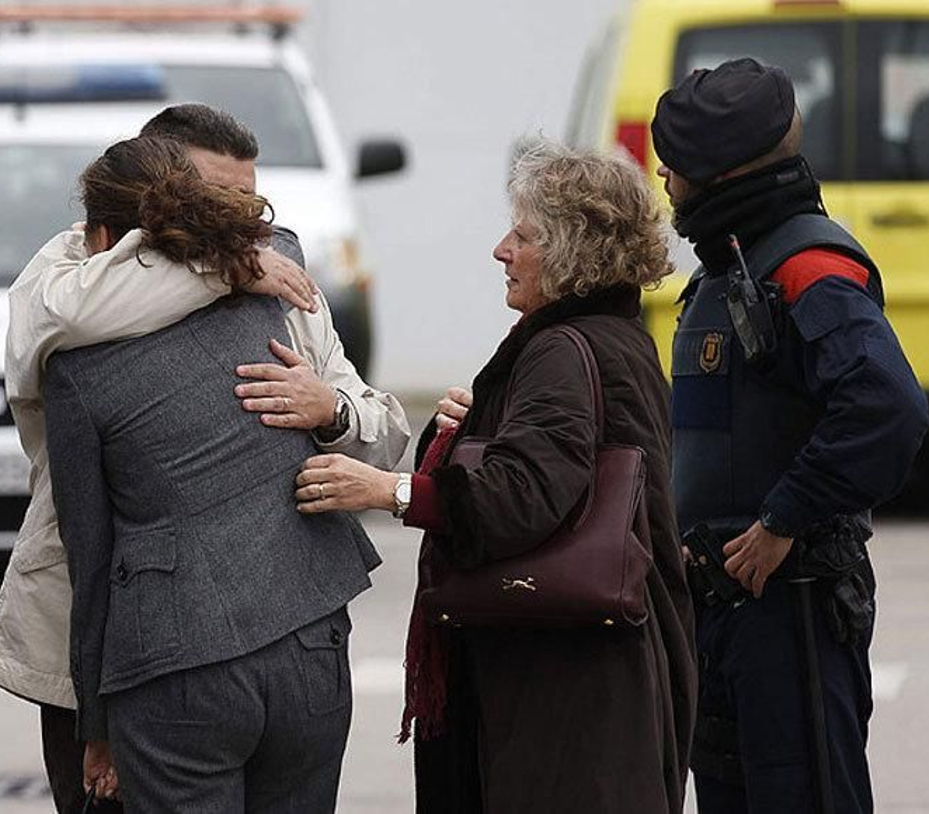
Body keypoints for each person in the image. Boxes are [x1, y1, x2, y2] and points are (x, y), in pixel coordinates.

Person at [0, 104, 409, 813]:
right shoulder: (69, 277)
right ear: (161, 188)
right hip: (99, 633)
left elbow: (384, 431)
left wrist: (330, 410)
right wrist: (228, 266)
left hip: (272, 627)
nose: (235, 217)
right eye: (213, 198)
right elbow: (64, 319)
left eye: (245, 199)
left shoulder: (281, 279)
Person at [296, 140, 696, 812]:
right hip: (606, 672)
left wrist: (389, 490)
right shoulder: (614, 336)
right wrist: (477, 427)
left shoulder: (562, 351)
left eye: (524, 234)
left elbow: (524, 496)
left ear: (572, 251)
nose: (501, 249)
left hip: (566, 691)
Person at [651, 59, 929, 813]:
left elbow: (888, 408)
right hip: (724, 618)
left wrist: (783, 519)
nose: (665, 179)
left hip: (793, 617)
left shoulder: (808, 266)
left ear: (720, 171)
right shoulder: (723, 272)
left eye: (674, 164)